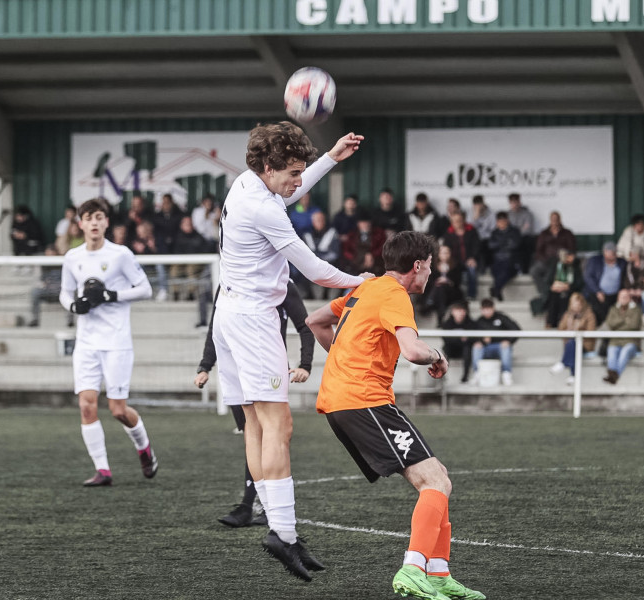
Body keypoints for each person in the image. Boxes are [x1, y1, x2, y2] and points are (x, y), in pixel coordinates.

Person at [213, 122, 369, 580]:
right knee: (279, 426)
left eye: (302, 171)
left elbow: (281, 195)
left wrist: (329, 160)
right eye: (294, 172)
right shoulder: (264, 207)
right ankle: (283, 534)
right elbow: (317, 271)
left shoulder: (245, 183)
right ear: (268, 167)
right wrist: (363, 281)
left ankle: (281, 529)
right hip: (254, 322)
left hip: (229, 314)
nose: (298, 181)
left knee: (257, 426)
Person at [305, 231, 486, 600]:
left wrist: (343, 361)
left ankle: (438, 573)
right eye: (431, 267)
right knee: (434, 482)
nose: (431, 275)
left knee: (439, 477)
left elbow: (315, 322)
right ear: (417, 266)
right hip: (364, 401)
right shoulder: (394, 294)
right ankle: (413, 568)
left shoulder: (364, 289)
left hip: (345, 400)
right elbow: (414, 351)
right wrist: (438, 356)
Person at [195, 280, 313, 527]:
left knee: (267, 433)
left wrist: (305, 365)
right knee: (251, 432)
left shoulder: (282, 284)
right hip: (237, 369)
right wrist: (205, 366)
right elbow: (215, 327)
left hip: (267, 367)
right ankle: (259, 506)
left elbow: (305, 325)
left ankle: (254, 507)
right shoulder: (228, 285)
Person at [59, 198, 157, 487]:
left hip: (116, 341)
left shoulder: (120, 255)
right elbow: (64, 293)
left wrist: (111, 296)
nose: (94, 222)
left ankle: (144, 447)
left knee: (117, 410)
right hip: (86, 342)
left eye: (99, 217)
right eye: (88, 218)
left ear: (106, 222)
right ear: (80, 224)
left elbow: (146, 289)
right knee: (87, 406)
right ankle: (103, 470)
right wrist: (73, 306)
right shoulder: (72, 257)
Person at [530, 211, 576, 311]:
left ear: (560, 220)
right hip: (546, 261)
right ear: (550, 220)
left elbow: (572, 249)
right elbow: (539, 250)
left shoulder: (567, 233)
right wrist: (545, 259)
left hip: (562, 262)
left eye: (556, 219)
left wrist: (566, 258)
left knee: (550, 276)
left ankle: (552, 296)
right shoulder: (544, 233)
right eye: (553, 219)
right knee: (534, 271)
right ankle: (544, 293)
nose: (555, 221)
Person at [549, 292, 596, 386]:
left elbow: (591, 331)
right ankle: (572, 375)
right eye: (573, 303)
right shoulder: (568, 315)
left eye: (577, 303)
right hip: (570, 343)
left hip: (585, 344)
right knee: (572, 344)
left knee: (573, 343)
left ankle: (563, 363)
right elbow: (561, 328)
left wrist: (577, 331)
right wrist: (568, 330)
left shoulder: (589, 314)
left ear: (582, 304)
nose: (575, 306)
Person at [470, 297, 521, 386]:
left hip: (499, 347)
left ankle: (506, 374)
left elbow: (516, 329)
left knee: (505, 347)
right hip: (485, 348)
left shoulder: (501, 318)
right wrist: (482, 341)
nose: (487, 312)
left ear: (493, 308)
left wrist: (508, 341)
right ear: (481, 310)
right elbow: (473, 337)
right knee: (476, 347)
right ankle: (477, 373)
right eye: (485, 309)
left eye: (489, 309)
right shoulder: (479, 321)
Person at [297, 211, 341, 299]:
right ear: (313, 222)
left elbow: (335, 254)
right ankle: (309, 296)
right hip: (311, 266)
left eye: (321, 220)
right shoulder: (307, 235)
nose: (320, 222)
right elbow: (303, 253)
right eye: (317, 220)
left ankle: (327, 296)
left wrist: (319, 260)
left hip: (328, 264)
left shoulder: (332, 233)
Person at [28, 245, 74, 328]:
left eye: (52, 254)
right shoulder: (42, 265)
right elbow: (37, 280)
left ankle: (70, 321)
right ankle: (34, 319)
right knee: (35, 292)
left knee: (70, 293)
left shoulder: (63, 264)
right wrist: (42, 284)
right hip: (47, 291)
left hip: (60, 291)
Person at [603, 288, 641, 384]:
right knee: (611, 351)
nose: (623, 298)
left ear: (629, 298)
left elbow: (634, 325)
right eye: (621, 296)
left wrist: (618, 322)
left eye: (626, 296)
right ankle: (614, 376)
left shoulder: (636, 309)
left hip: (630, 341)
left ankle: (613, 376)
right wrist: (625, 319)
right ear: (618, 298)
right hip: (615, 341)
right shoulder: (613, 309)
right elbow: (610, 324)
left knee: (625, 352)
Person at [169, 215, 212, 301]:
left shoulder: (198, 237)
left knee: (190, 270)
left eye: (190, 223)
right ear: (181, 225)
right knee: (174, 271)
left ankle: (190, 294)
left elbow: (204, 251)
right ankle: (176, 293)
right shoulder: (177, 237)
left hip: (195, 263)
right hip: (180, 262)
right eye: (186, 223)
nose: (188, 225)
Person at [583, 241, 627, 325]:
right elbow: (588, 277)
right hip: (598, 294)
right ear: (604, 252)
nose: (613, 254)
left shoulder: (622, 263)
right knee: (597, 308)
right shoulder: (595, 261)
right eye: (611, 252)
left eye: (615, 252)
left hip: (615, 295)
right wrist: (598, 291)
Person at [420, 244, 464, 325]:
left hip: (452, 292)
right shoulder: (432, 266)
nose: (444, 255)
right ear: (438, 254)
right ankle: (441, 313)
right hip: (439, 292)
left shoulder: (456, 265)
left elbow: (458, 281)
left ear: (450, 254)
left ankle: (429, 302)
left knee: (441, 288)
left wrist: (448, 280)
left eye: (446, 253)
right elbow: (429, 280)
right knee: (440, 288)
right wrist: (438, 281)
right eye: (442, 253)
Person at [442, 210, 480, 300]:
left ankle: (471, 295)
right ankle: (455, 296)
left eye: (459, 220)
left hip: (469, 260)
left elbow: (476, 246)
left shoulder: (471, 230)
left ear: (463, 220)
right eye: (454, 221)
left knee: (472, 271)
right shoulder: (448, 233)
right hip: (454, 261)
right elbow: (446, 248)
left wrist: (473, 258)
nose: (456, 223)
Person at [130, 220, 169, 302]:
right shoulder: (138, 240)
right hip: (145, 264)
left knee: (160, 266)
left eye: (141, 232)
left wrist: (154, 248)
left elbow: (164, 252)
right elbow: (132, 256)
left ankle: (163, 290)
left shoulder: (158, 238)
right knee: (138, 266)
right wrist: (139, 251)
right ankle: (139, 290)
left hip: (158, 264)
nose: (139, 234)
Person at [544, 249, 583, 329]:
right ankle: (550, 321)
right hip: (556, 290)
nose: (570, 259)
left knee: (565, 297)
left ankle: (562, 321)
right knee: (554, 297)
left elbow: (579, 283)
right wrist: (554, 286)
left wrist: (568, 286)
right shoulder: (556, 266)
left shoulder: (575, 268)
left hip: (570, 291)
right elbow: (548, 281)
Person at [487, 211, 521, 301]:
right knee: (495, 270)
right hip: (497, 259)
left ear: (507, 221)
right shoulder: (494, 232)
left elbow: (515, 244)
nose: (502, 223)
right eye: (499, 221)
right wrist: (505, 242)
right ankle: (497, 290)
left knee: (507, 270)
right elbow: (491, 245)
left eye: (503, 221)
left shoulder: (514, 231)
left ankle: (496, 288)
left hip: (511, 259)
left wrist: (500, 243)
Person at [440, 300, 476, 383]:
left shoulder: (470, 323)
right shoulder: (447, 324)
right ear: (453, 312)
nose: (460, 313)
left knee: (467, 349)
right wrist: (460, 339)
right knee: (445, 350)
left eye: (462, 310)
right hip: (451, 349)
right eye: (458, 311)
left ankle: (465, 377)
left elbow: (473, 338)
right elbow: (445, 339)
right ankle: (442, 376)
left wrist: (465, 339)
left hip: (464, 349)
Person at [507, 193, 536, 273]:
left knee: (526, 242)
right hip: (512, 238)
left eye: (516, 202)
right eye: (512, 202)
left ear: (520, 202)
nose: (515, 204)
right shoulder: (507, 215)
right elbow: (507, 229)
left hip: (524, 238)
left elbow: (528, 229)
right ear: (510, 203)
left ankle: (524, 270)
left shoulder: (527, 214)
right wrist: (521, 229)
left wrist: (517, 232)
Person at [470, 196, 496, 266]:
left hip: (487, 237)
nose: (478, 206)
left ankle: (485, 266)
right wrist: (476, 217)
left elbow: (493, 229)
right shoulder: (471, 213)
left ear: (483, 203)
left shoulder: (491, 213)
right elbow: (470, 228)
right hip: (475, 238)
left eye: (480, 204)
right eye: (476, 204)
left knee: (484, 244)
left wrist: (483, 233)